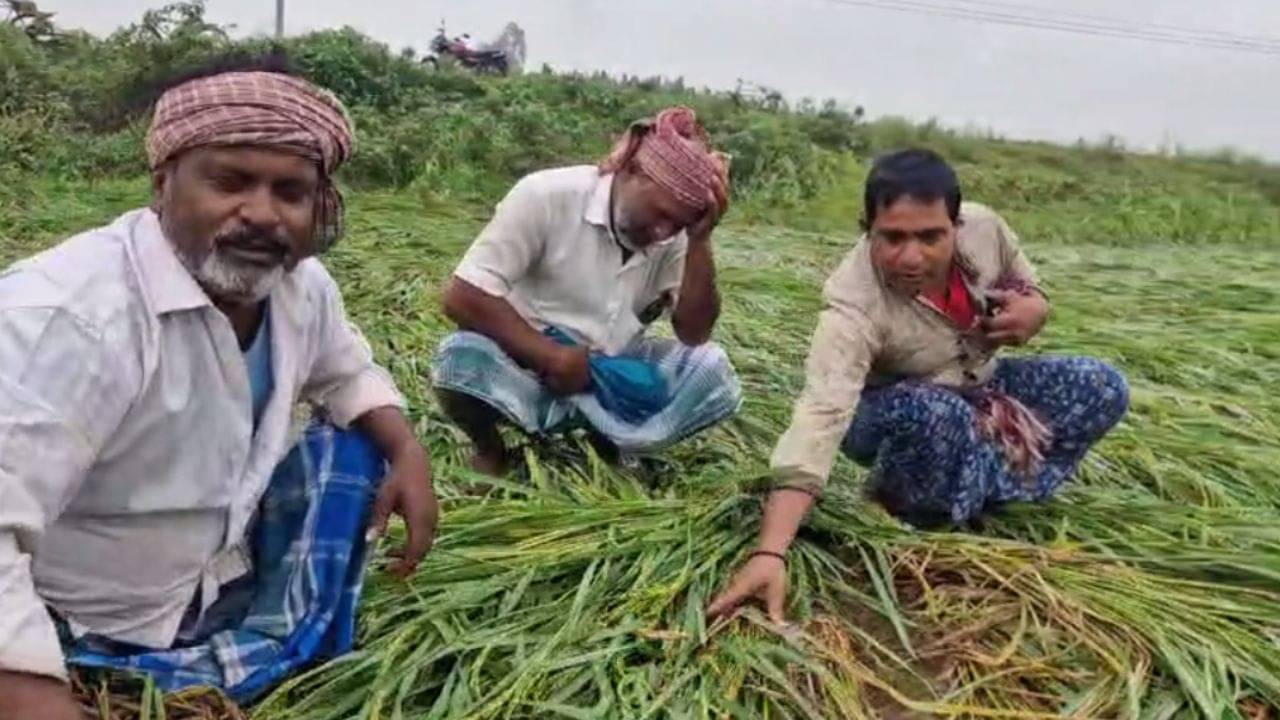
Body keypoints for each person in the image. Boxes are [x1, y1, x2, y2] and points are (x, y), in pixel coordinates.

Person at [0, 62, 438, 718]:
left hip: (211, 574)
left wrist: (408, 452)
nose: (262, 214)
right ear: (163, 184)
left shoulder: (300, 288)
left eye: (290, 192)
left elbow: (346, 373)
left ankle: (242, 632)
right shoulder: (74, 316)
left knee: (354, 446)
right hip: (86, 612)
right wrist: (32, 693)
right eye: (230, 183)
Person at [708, 148, 1128, 621]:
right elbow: (819, 418)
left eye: (931, 237)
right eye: (892, 238)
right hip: (887, 412)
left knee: (1101, 386)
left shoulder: (985, 229)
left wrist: (1035, 310)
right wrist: (770, 552)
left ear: (955, 226)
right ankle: (903, 503)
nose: (912, 257)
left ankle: (978, 484)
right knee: (935, 414)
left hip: (976, 384)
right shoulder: (853, 306)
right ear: (867, 228)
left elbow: (1024, 282)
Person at [432, 106, 742, 474]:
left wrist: (700, 240)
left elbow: (694, 333)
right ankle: (490, 449)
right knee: (459, 357)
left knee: (711, 371)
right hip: (526, 366)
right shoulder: (546, 195)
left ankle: (617, 440)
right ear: (631, 170)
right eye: (660, 214)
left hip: (613, 375)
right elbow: (463, 294)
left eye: (677, 223)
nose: (663, 232)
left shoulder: (677, 235)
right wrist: (550, 357)